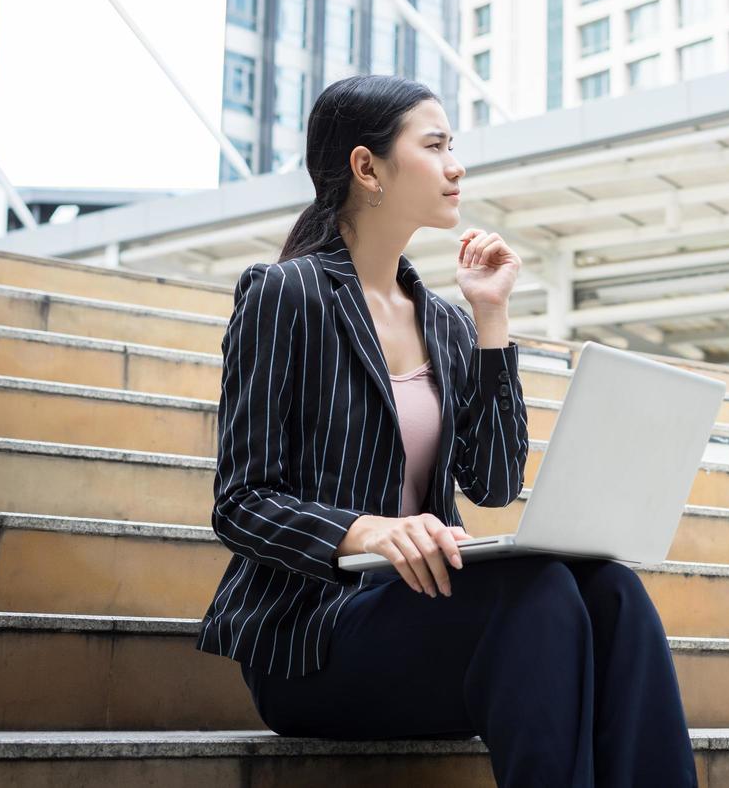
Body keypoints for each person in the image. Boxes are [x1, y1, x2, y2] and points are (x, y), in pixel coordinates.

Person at [193, 75, 698, 786]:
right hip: (316, 638)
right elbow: (240, 502)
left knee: (613, 591)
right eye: (434, 146)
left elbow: (492, 482)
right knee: (541, 593)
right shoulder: (287, 294)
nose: (456, 164)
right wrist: (368, 532)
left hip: (430, 619)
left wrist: (491, 323)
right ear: (368, 168)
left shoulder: (445, 321)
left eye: (452, 146)